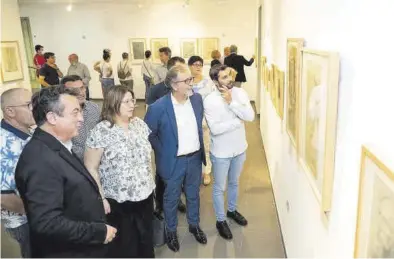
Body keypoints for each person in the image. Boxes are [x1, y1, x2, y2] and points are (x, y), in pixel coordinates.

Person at [15, 86, 117, 258]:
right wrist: (98, 232)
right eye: (75, 113)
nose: (81, 119)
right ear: (52, 117)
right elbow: (47, 223)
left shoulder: (55, 145)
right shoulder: (40, 160)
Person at [85, 85, 155, 258]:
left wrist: (151, 184)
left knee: (145, 239)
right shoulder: (101, 130)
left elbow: (148, 158)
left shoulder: (139, 124)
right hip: (118, 199)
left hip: (144, 194)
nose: (132, 104)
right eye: (127, 102)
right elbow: (91, 167)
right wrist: (101, 198)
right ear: (114, 103)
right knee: (125, 243)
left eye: (132, 100)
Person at [145, 64, 207, 252]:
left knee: (193, 195)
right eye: (187, 80)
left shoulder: (196, 100)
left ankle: (194, 225)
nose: (191, 83)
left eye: (191, 79)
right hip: (173, 161)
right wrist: (163, 150)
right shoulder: (158, 108)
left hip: (195, 158)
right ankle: (170, 231)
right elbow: (148, 133)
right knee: (170, 199)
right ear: (174, 84)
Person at [204, 64, 254, 240]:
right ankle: (220, 220)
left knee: (234, 183)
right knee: (219, 187)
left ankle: (232, 210)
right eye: (224, 77)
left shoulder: (240, 93)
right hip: (221, 152)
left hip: (240, 148)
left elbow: (250, 116)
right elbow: (215, 129)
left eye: (229, 75)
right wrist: (237, 122)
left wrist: (231, 102)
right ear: (215, 80)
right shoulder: (209, 100)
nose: (229, 79)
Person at [146, 56, 187, 215]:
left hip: (181, 141)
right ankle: (160, 204)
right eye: (178, 70)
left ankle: (176, 199)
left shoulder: (186, 89)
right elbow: (150, 121)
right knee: (162, 174)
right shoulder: (156, 90)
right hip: (163, 142)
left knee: (179, 173)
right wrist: (159, 147)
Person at [1, 88, 36, 258]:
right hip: (22, 224)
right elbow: (4, 197)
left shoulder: (28, 132)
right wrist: (38, 212)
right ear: (10, 111)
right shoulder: (3, 144)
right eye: (28, 105)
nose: (34, 108)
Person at [188, 55, 215, 186]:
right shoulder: (186, 82)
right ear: (189, 66)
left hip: (204, 120)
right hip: (188, 120)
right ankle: (194, 172)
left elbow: (213, 101)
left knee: (206, 145)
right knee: (192, 147)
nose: (198, 67)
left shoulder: (208, 82)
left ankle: (207, 171)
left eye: (200, 64)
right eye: (195, 64)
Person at [61, 75, 100, 161]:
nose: (81, 93)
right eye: (74, 90)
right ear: (64, 93)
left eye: (82, 88)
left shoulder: (94, 108)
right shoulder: (61, 116)